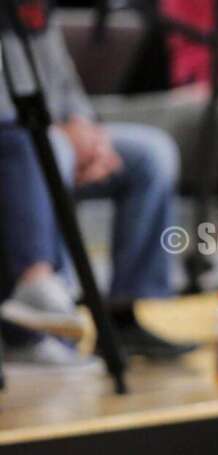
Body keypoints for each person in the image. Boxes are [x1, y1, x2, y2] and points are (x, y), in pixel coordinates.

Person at [0, 0, 197, 363]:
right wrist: (61, 133)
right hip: (18, 140)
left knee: (152, 153)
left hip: (55, 131)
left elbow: (63, 82)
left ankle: (124, 316)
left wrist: (89, 131)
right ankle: (45, 315)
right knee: (52, 149)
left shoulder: (37, 12)